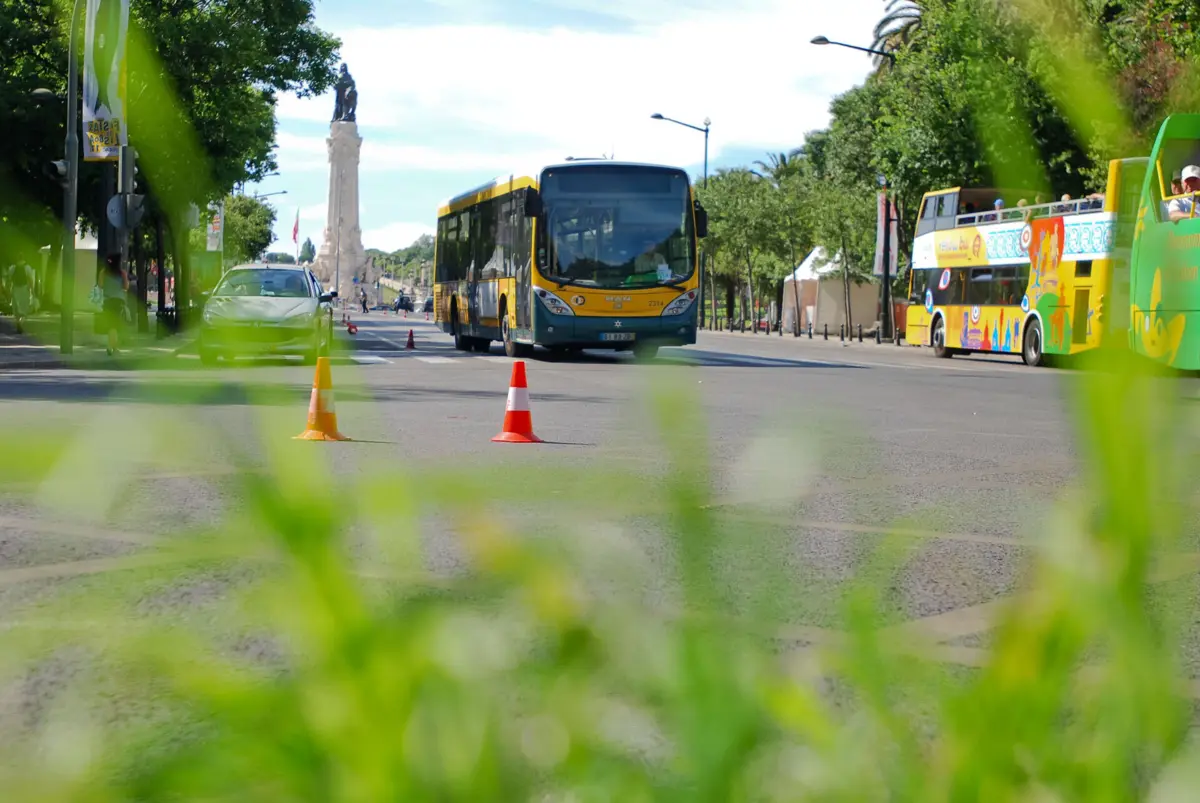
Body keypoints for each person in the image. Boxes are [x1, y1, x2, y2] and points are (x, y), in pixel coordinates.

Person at [97, 254, 129, 356]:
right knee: (115, 325)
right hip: (118, 301)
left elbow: (100, 285)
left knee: (111, 325)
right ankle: (112, 347)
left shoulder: (103, 272)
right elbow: (126, 287)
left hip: (108, 300)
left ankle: (112, 347)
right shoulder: (122, 273)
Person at [7, 256, 35, 334]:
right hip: (24, 289)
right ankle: (21, 322)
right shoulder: (27, 267)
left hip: (15, 289)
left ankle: (17, 322)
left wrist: (8, 291)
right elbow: (30, 280)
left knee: (16, 308)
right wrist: (32, 290)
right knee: (24, 308)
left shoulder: (12, 268)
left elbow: (9, 280)